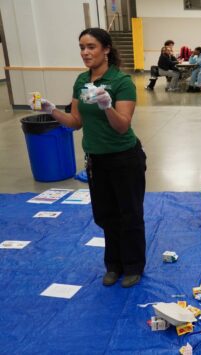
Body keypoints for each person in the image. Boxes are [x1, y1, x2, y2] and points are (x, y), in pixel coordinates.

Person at [30, 28, 147, 288]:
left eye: (91, 46)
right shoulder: (81, 81)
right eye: (81, 47)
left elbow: (122, 126)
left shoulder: (121, 82)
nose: (85, 52)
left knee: (129, 214)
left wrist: (107, 106)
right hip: (97, 161)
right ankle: (113, 265)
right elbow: (75, 123)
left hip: (125, 159)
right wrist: (51, 111)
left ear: (106, 49)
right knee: (105, 215)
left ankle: (133, 265)